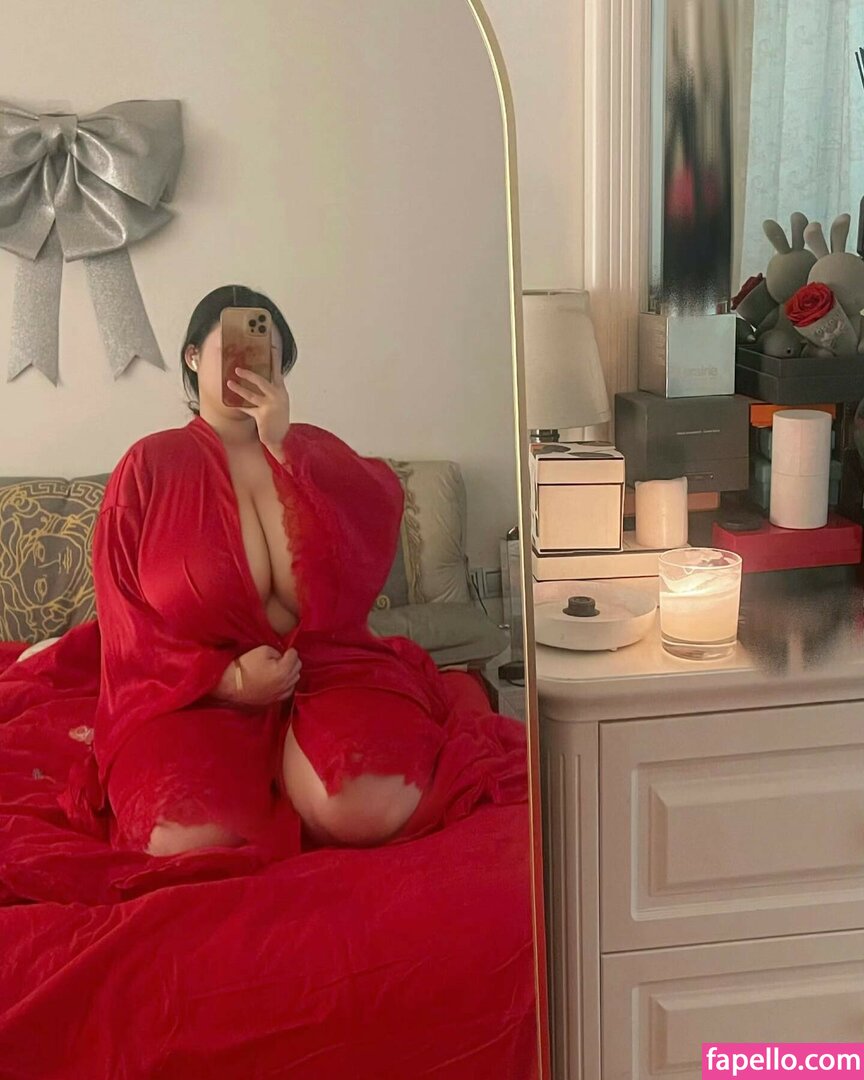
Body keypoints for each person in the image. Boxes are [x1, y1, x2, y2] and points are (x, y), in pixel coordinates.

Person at [69, 284, 474, 858]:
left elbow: (365, 551)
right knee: (185, 837)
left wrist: (286, 448)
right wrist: (226, 682)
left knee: (367, 803)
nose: (248, 365)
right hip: (194, 691)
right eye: (230, 348)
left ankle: (305, 782)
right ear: (192, 357)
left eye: (266, 354)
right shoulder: (148, 465)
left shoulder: (311, 449)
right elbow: (124, 619)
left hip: (331, 666)